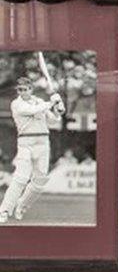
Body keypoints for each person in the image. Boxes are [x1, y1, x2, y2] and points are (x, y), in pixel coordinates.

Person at [0, 76, 64, 224]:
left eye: (25, 89)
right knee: (21, 178)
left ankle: (22, 206)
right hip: (25, 143)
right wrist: (51, 102)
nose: (22, 92)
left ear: (31, 89)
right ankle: (4, 210)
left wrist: (58, 109)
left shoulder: (40, 102)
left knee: (40, 180)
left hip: (43, 142)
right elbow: (31, 110)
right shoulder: (16, 104)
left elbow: (53, 120)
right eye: (20, 89)